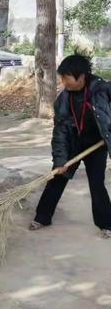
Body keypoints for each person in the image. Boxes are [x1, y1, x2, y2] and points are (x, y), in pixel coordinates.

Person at [30, 54, 111, 238]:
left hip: (97, 146)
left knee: (97, 184)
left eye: (66, 77)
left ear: (81, 76)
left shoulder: (102, 89)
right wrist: (60, 159)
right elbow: (60, 132)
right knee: (57, 177)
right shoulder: (63, 100)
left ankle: (106, 224)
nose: (63, 82)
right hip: (74, 144)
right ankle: (42, 217)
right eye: (62, 77)